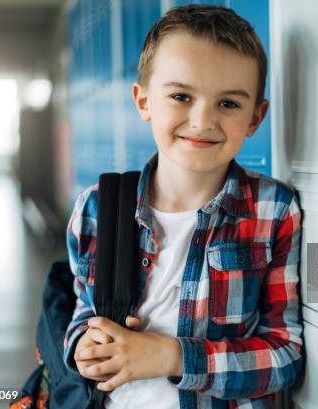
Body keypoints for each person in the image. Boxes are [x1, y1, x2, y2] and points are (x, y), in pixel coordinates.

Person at [63, 4, 304, 409]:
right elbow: (82, 311)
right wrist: (83, 348)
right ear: (143, 102)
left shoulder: (274, 210)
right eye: (180, 96)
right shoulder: (96, 208)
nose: (202, 119)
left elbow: (284, 354)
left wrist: (171, 356)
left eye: (229, 103)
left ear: (255, 118)